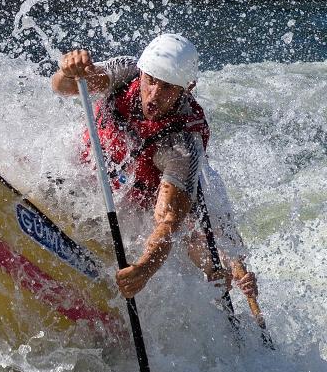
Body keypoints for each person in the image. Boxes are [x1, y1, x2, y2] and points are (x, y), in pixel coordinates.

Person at [51, 34, 258, 303]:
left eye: (168, 88)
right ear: (143, 72)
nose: (154, 96)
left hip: (143, 199)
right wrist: (69, 70)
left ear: (187, 88)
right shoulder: (126, 72)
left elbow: (168, 223)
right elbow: (63, 87)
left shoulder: (182, 142)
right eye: (151, 81)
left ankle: (225, 277)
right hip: (87, 170)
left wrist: (144, 270)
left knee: (200, 246)